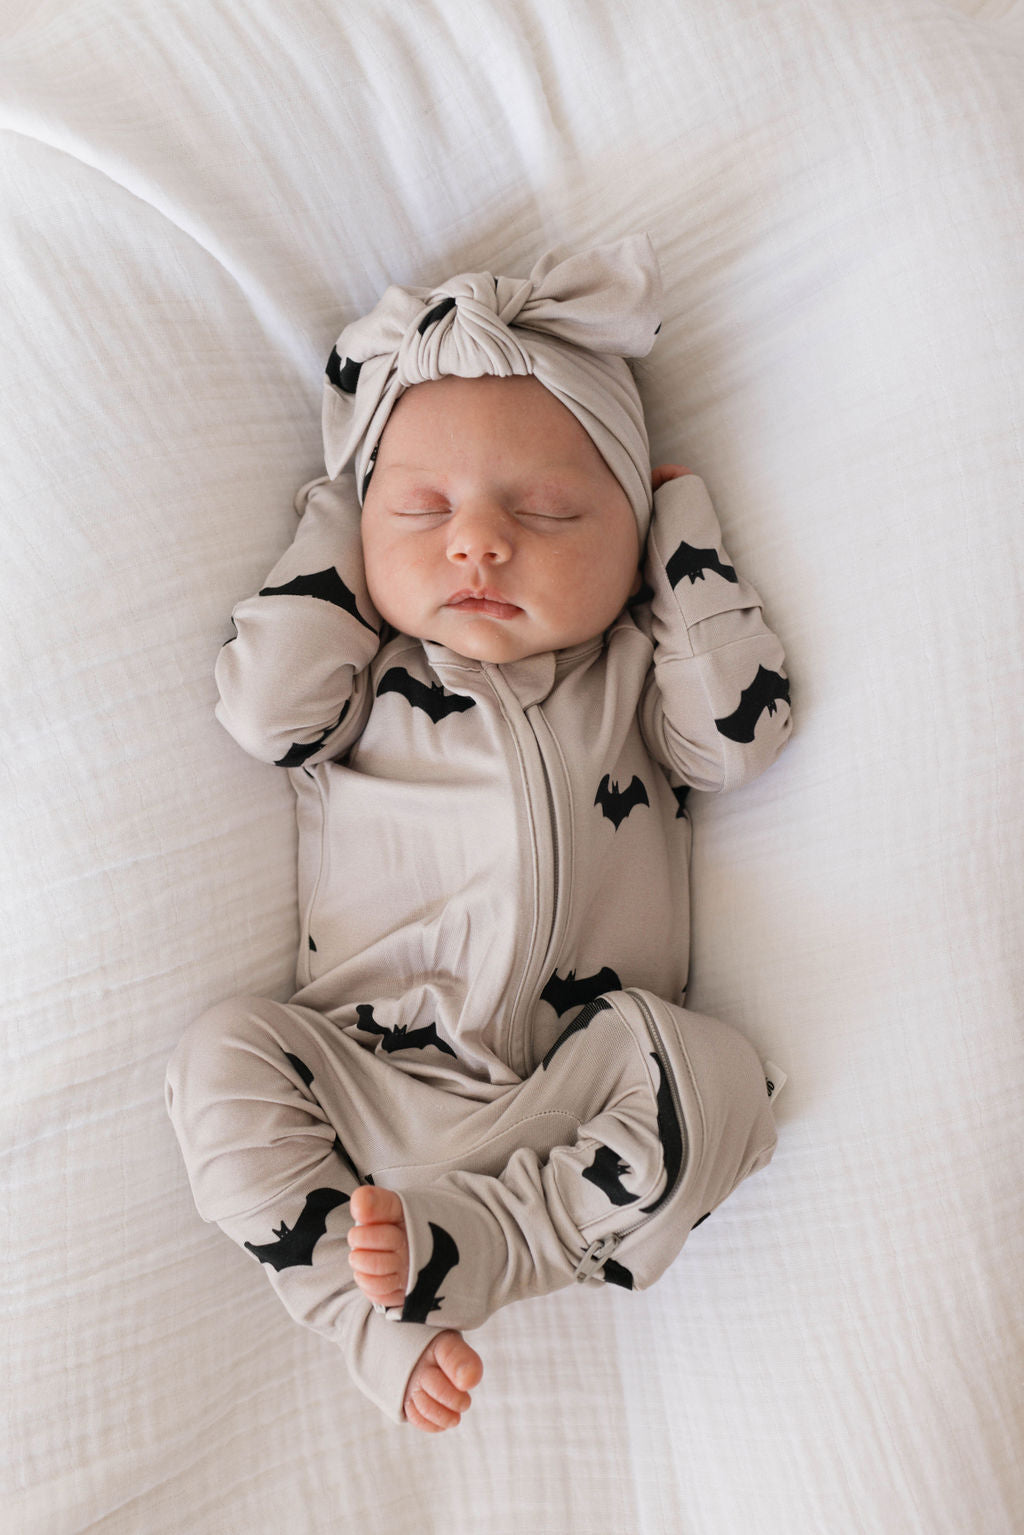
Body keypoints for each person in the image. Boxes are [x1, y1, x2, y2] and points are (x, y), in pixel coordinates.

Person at [165, 234, 792, 1435]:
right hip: (365, 1073)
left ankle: (497, 1242)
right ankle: (359, 1310)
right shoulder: (363, 681)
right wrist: (342, 513)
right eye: (422, 510)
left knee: (726, 1083)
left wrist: (681, 530)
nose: (479, 541)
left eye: (549, 510)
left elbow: (737, 734)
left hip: (581, 1086)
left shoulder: (629, 676)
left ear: (626, 541)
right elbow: (259, 708)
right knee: (219, 1056)